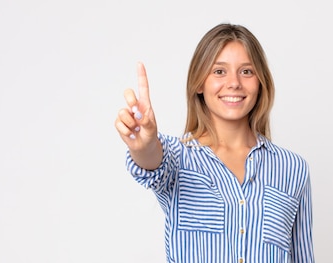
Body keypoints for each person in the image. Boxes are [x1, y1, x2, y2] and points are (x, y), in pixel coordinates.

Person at [115, 23, 314, 263]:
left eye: (247, 71)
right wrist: (143, 145)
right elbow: (151, 161)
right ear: (200, 83)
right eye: (219, 71)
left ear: (261, 83)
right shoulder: (178, 158)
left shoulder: (293, 169)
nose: (234, 83)